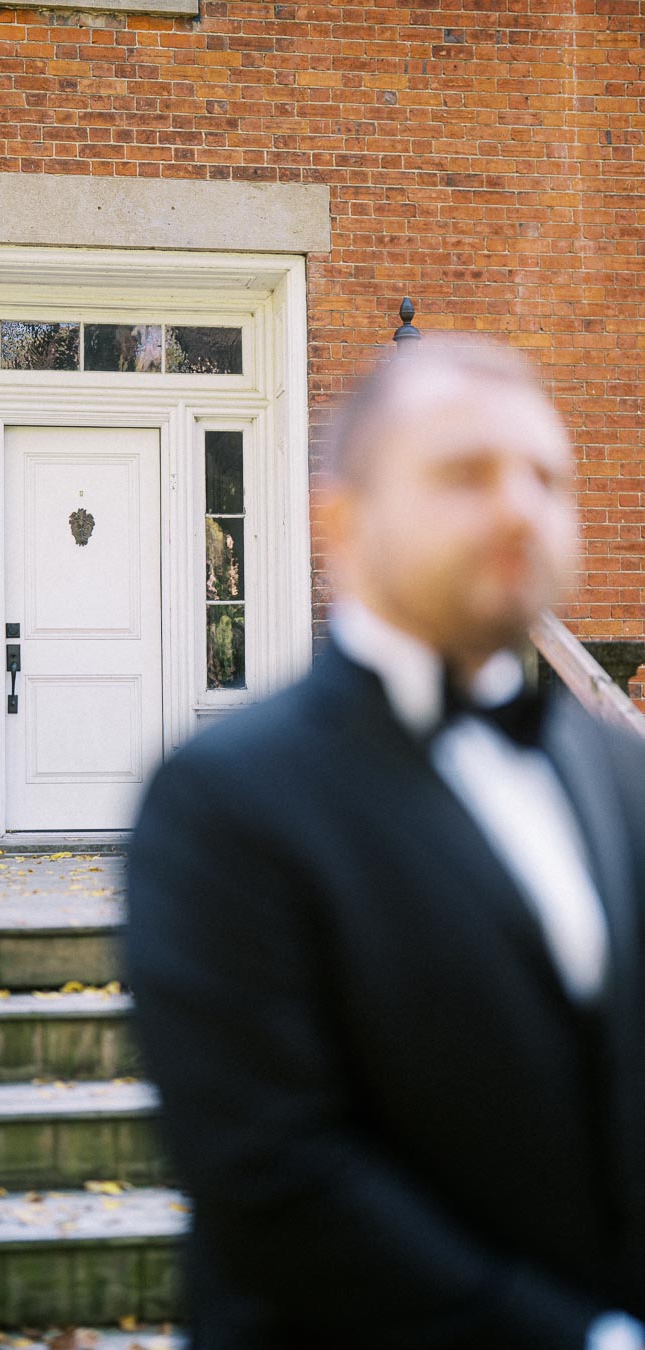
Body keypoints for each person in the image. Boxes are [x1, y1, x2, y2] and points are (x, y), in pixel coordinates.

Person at [125, 338, 645, 1350]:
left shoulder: (623, 772)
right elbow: (274, 1173)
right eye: (465, 474)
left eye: (547, 476)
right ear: (339, 521)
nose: (519, 508)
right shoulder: (221, 800)